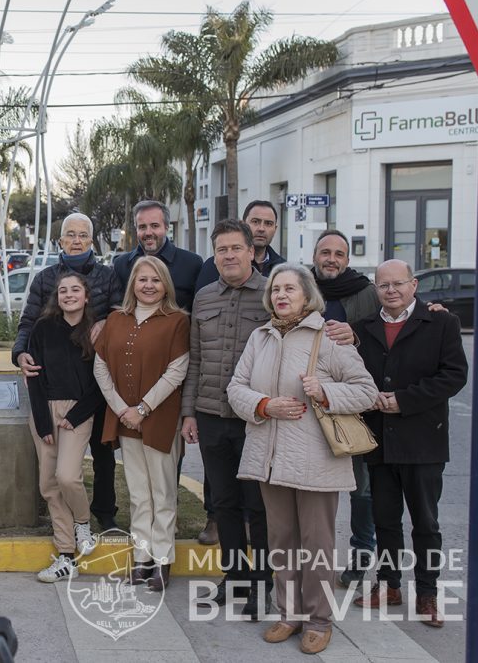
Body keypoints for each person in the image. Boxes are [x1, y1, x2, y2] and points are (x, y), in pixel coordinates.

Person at [228, 262, 378, 655]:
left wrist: (326, 392)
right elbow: (235, 388)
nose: (280, 295)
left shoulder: (327, 338)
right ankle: (288, 613)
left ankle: (318, 620)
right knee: (281, 541)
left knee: (316, 544)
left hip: (316, 462)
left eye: (289, 289)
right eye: (276, 289)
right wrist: (264, 405)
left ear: (307, 296)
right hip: (270, 459)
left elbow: (366, 391)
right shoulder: (260, 337)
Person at [352, 260, 468, 627]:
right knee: (385, 521)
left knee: (426, 523)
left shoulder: (441, 323)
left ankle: (429, 593)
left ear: (414, 285)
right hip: (380, 441)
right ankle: (389, 585)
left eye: (398, 284)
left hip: (423, 440)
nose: (390, 291)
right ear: (376, 289)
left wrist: (403, 399)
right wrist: (368, 397)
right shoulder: (362, 329)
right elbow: (351, 374)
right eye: (383, 285)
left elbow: (454, 375)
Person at [182, 220, 274, 619]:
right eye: (222, 249)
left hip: (255, 420)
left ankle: (262, 584)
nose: (230, 256)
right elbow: (196, 359)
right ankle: (234, 575)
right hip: (210, 416)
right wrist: (188, 411)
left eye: (237, 248)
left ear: (251, 252)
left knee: (258, 506)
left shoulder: (273, 293)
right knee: (223, 504)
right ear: (214, 255)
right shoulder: (203, 298)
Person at [14, 213, 123, 531]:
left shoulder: (108, 276)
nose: (76, 240)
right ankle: (67, 520)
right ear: (60, 241)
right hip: (57, 378)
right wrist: (20, 352)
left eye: (83, 235)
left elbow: (120, 312)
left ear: (92, 241)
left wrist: (107, 322)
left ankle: (104, 511)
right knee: (57, 461)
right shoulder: (46, 278)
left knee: (103, 454)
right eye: (70, 235)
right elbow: (28, 321)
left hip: (95, 380)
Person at [94, 256, 190, 592]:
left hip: (159, 420)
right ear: (132, 284)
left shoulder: (178, 321)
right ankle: (142, 557)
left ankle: (163, 561)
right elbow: (101, 368)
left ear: (166, 285)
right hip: (125, 421)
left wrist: (144, 408)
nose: (148, 286)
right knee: (138, 494)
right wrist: (123, 410)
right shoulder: (116, 320)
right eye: (142, 279)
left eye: (155, 280)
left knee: (162, 493)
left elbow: (177, 371)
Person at [311, 230, 379, 588]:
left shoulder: (366, 292)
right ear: (315, 255)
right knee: (313, 490)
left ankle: (360, 556)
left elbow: (390, 324)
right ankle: (312, 561)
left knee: (361, 490)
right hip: (309, 405)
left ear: (347, 259)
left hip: (353, 407)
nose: (332, 259)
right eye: (326, 252)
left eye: (339, 253)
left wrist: (355, 336)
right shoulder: (303, 287)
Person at [25, 273, 102, 583]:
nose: (69, 295)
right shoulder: (43, 328)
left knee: (67, 476)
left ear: (85, 296)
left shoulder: (96, 331)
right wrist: (44, 422)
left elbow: (102, 382)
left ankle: (83, 522)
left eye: (75, 290)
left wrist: (77, 414)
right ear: (57, 297)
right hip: (45, 410)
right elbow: (34, 375)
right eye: (63, 291)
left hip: (79, 412)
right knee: (49, 484)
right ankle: (67, 556)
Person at [112, 200, 202, 312]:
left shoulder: (192, 264)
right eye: (142, 227)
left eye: (155, 226)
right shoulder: (121, 265)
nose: (148, 232)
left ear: (166, 227)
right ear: (136, 230)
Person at [194, 200, 285, 292]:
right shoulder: (214, 266)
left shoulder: (283, 268)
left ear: (275, 229)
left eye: (268, 223)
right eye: (255, 221)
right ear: (244, 224)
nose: (261, 228)